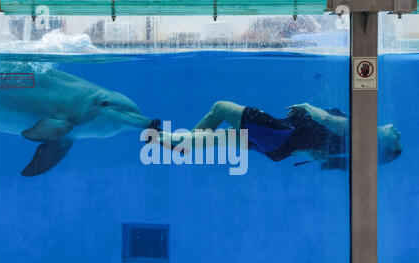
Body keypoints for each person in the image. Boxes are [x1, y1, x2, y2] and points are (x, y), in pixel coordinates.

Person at [154, 101, 402, 170]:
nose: (399, 132)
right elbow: (316, 150)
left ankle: (182, 144)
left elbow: (332, 122)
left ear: (385, 143)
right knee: (221, 138)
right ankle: (178, 144)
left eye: (397, 139)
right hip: (279, 148)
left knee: (219, 108)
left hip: (280, 135)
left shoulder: (361, 134)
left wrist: (309, 108)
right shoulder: (353, 147)